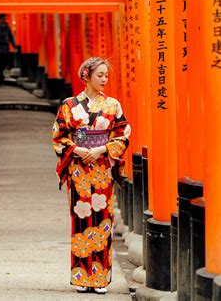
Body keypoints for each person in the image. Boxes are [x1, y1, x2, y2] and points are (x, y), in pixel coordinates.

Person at [51, 57, 131, 295]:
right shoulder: (68, 104)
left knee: (103, 219)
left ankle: (100, 277)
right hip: (78, 168)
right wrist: (76, 149)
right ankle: (82, 276)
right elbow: (59, 135)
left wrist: (101, 150)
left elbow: (122, 134)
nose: (105, 79)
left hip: (102, 165)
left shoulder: (113, 105)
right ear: (86, 76)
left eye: (106, 75)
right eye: (100, 75)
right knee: (82, 220)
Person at [0, 13, 17, 86]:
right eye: (4, 19)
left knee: (5, 61)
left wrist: (15, 46)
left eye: (5, 19)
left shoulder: (7, 27)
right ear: (0, 19)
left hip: (5, 47)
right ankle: (0, 78)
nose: (5, 20)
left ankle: (0, 73)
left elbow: (11, 37)